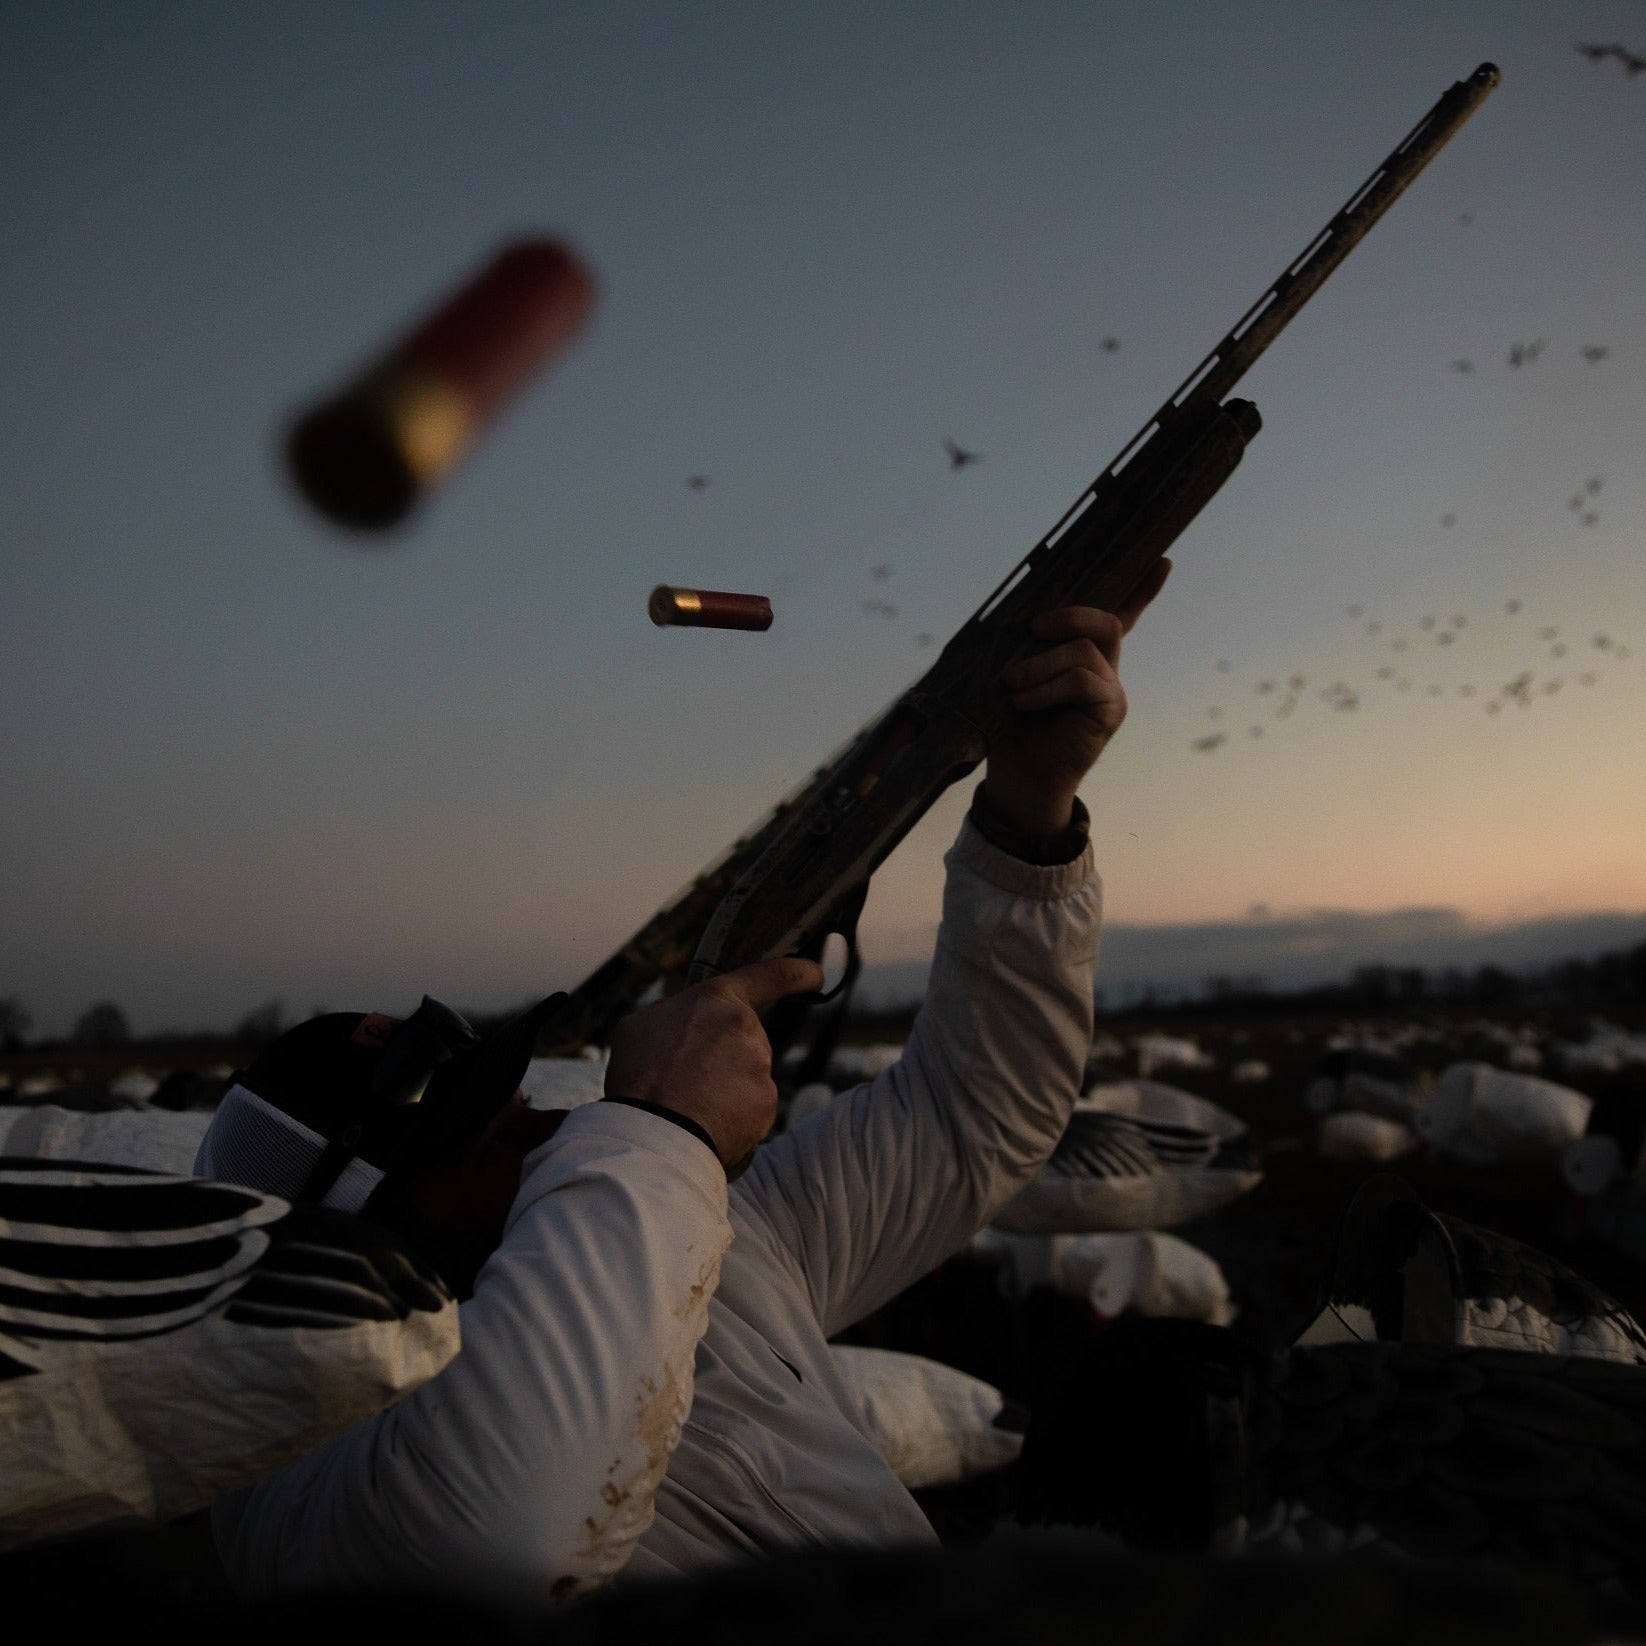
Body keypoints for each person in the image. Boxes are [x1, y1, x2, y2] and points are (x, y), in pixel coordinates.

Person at [200, 566, 1170, 1600]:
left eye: (504, 1088)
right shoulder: (295, 1484)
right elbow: (505, 1538)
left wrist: (1028, 816)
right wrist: (658, 1130)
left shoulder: (716, 1233)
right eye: (476, 1128)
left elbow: (972, 1118)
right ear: (359, 1237)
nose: (536, 1117)